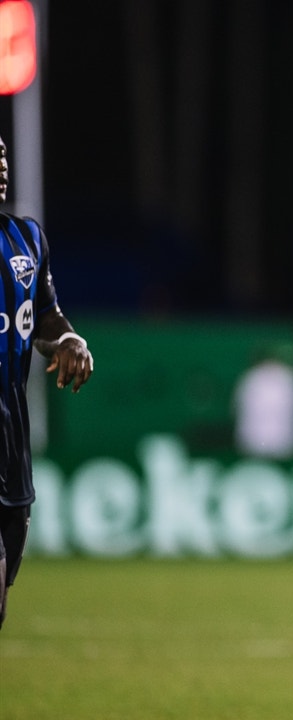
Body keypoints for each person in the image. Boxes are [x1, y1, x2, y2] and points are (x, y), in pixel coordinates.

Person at [0, 133, 95, 630]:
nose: (1, 165)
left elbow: (43, 318)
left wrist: (70, 340)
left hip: (11, 438)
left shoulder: (27, 238)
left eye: (2, 154)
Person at [232, 345, 293, 459]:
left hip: (285, 442)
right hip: (254, 442)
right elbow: (240, 407)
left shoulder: (289, 378)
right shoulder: (251, 378)